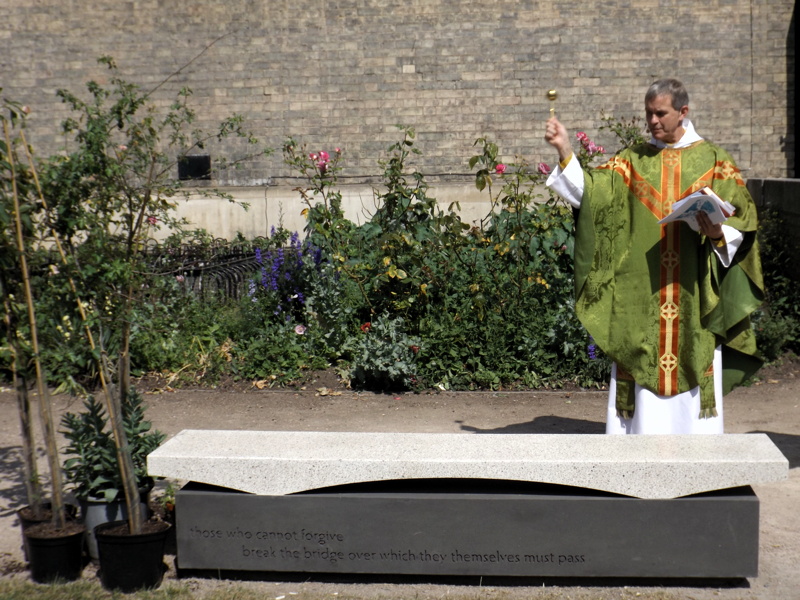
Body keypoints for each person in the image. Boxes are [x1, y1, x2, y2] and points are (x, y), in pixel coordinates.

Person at [544, 78, 764, 434]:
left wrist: (718, 233)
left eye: (661, 113)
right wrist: (565, 150)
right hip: (640, 293)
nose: (653, 121)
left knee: (695, 362)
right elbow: (593, 198)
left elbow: (743, 216)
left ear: (683, 112)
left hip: (694, 294)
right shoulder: (632, 162)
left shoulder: (714, 160)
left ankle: (698, 461)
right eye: (649, 114)